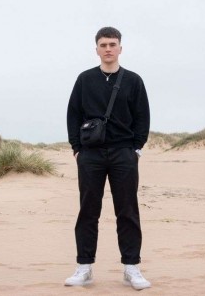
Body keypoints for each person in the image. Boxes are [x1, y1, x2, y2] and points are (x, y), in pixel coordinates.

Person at [65, 27, 151, 290]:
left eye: (113, 44)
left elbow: (142, 116)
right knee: (88, 210)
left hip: (124, 153)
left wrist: (136, 148)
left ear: (120, 48)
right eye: (103, 45)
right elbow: (73, 114)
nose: (108, 49)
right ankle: (84, 267)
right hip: (90, 154)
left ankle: (131, 267)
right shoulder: (85, 79)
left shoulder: (133, 80)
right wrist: (77, 149)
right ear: (97, 49)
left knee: (127, 210)